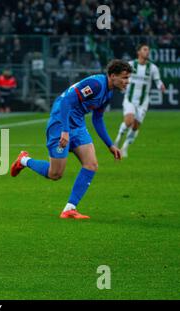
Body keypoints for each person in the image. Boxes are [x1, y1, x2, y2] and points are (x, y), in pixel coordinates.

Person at [10, 59, 132, 219]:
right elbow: (67, 101)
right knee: (55, 174)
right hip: (61, 121)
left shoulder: (108, 93)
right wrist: (65, 131)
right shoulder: (96, 85)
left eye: (128, 78)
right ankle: (24, 160)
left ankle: (69, 209)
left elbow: (97, 119)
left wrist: (110, 144)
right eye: (124, 78)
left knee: (91, 164)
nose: (127, 82)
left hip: (78, 124)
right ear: (112, 76)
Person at [114, 44, 166, 157]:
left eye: (148, 50)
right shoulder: (131, 65)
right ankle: (118, 139)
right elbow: (123, 76)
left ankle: (124, 148)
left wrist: (161, 86)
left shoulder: (152, 68)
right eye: (145, 49)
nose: (147, 52)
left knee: (136, 126)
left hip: (143, 102)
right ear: (138, 52)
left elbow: (158, 81)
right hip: (130, 99)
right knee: (128, 121)